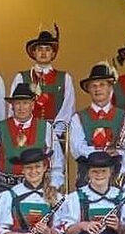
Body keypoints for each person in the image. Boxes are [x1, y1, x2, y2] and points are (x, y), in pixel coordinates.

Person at [8, 27, 75, 161]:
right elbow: (13, 108)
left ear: (53, 53)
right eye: (40, 49)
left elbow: (68, 108)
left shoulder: (64, 78)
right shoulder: (21, 77)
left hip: (55, 135)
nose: (43, 53)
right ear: (34, 52)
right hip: (27, 132)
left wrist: (54, 133)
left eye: (47, 49)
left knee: (53, 168)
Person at [0, 82, 62, 193]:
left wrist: (53, 187)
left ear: (33, 105)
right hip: (6, 189)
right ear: (12, 106)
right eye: (17, 103)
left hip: (39, 189)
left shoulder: (46, 127)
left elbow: (57, 161)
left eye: (25, 103)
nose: (21, 108)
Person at [68, 62, 125, 187]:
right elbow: (77, 148)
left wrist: (119, 152)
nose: (97, 89)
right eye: (93, 86)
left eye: (102, 85)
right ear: (88, 89)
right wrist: (105, 152)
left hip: (116, 177)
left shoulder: (124, 116)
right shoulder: (78, 118)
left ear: (110, 88)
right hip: (87, 177)